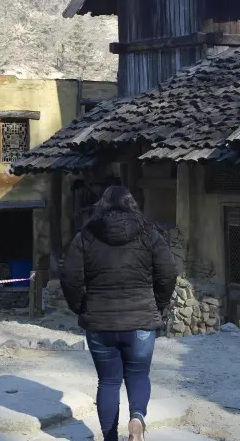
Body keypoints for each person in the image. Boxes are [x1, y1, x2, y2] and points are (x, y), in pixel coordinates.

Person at [60, 185, 177, 441]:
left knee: (109, 382)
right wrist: (157, 304)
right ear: (131, 205)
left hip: (100, 323)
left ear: (102, 206)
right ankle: (136, 420)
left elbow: (69, 277)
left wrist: (81, 306)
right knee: (138, 374)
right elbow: (168, 274)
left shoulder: (86, 235)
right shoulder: (150, 234)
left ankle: (110, 437)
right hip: (141, 322)